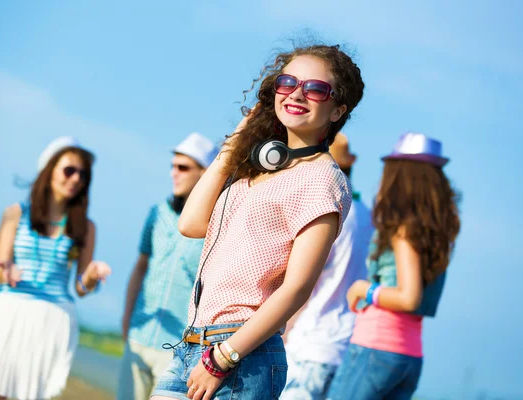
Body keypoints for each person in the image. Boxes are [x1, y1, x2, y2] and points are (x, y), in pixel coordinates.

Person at [151, 43, 365, 400]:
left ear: (337, 110)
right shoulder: (259, 166)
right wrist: (235, 143)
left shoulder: (323, 179)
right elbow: (189, 224)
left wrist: (224, 356)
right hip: (191, 343)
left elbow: (297, 288)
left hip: (240, 357)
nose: (297, 93)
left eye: (315, 88)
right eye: (288, 82)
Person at [0, 136, 112, 400]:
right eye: (69, 170)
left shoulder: (86, 227)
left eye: (83, 174)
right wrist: (5, 270)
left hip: (54, 318)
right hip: (11, 311)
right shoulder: (15, 214)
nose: (76, 179)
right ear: (49, 170)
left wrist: (93, 275)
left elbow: (81, 288)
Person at [327, 132, 461, 399]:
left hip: (376, 348)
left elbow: (409, 298)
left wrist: (364, 289)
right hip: (409, 354)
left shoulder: (404, 230)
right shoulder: (435, 234)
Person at [119, 133, 218, 400]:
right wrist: (126, 320)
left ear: (205, 173)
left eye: (183, 167)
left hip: (178, 349)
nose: (174, 173)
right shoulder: (157, 213)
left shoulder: (216, 223)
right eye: (173, 166)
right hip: (139, 336)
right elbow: (140, 267)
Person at [280, 133, 373, 400]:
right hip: (346, 343)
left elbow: (306, 279)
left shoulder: (329, 212)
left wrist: (283, 328)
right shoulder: (366, 214)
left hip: (311, 341)